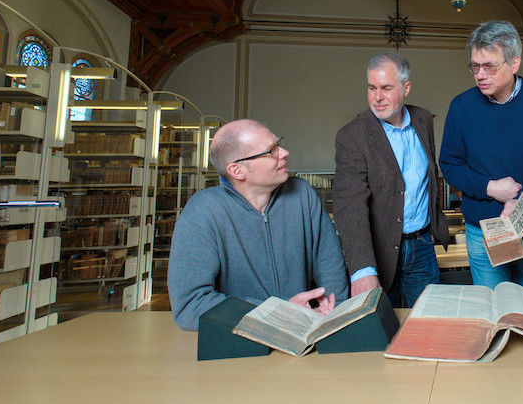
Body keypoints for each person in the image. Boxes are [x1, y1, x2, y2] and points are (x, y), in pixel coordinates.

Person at [168, 119, 349, 330]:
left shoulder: (303, 195)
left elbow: (330, 266)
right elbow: (190, 306)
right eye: (271, 151)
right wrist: (277, 314)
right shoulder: (202, 212)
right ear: (237, 171)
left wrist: (333, 311)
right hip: (240, 343)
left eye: (278, 143)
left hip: (308, 332)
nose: (284, 152)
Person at [439, 20, 523, 297]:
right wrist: (491, 188)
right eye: (475, 66)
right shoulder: (461, 106)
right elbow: (450, 165)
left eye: (489, 66)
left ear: (514, 63)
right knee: (494, 312)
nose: (480, 74)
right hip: (482, 231)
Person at [333, 52, 449, 307]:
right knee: (380, 333)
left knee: (425, 328)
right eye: (372, 88)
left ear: (406, 88)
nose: (377, 97)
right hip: (378, 252)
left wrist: (432, 227)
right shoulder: (352, 136)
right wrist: (362, 270)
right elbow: (349, 206)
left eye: (386, 88)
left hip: (422, 246)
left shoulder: (423, 119)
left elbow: (429, 178)